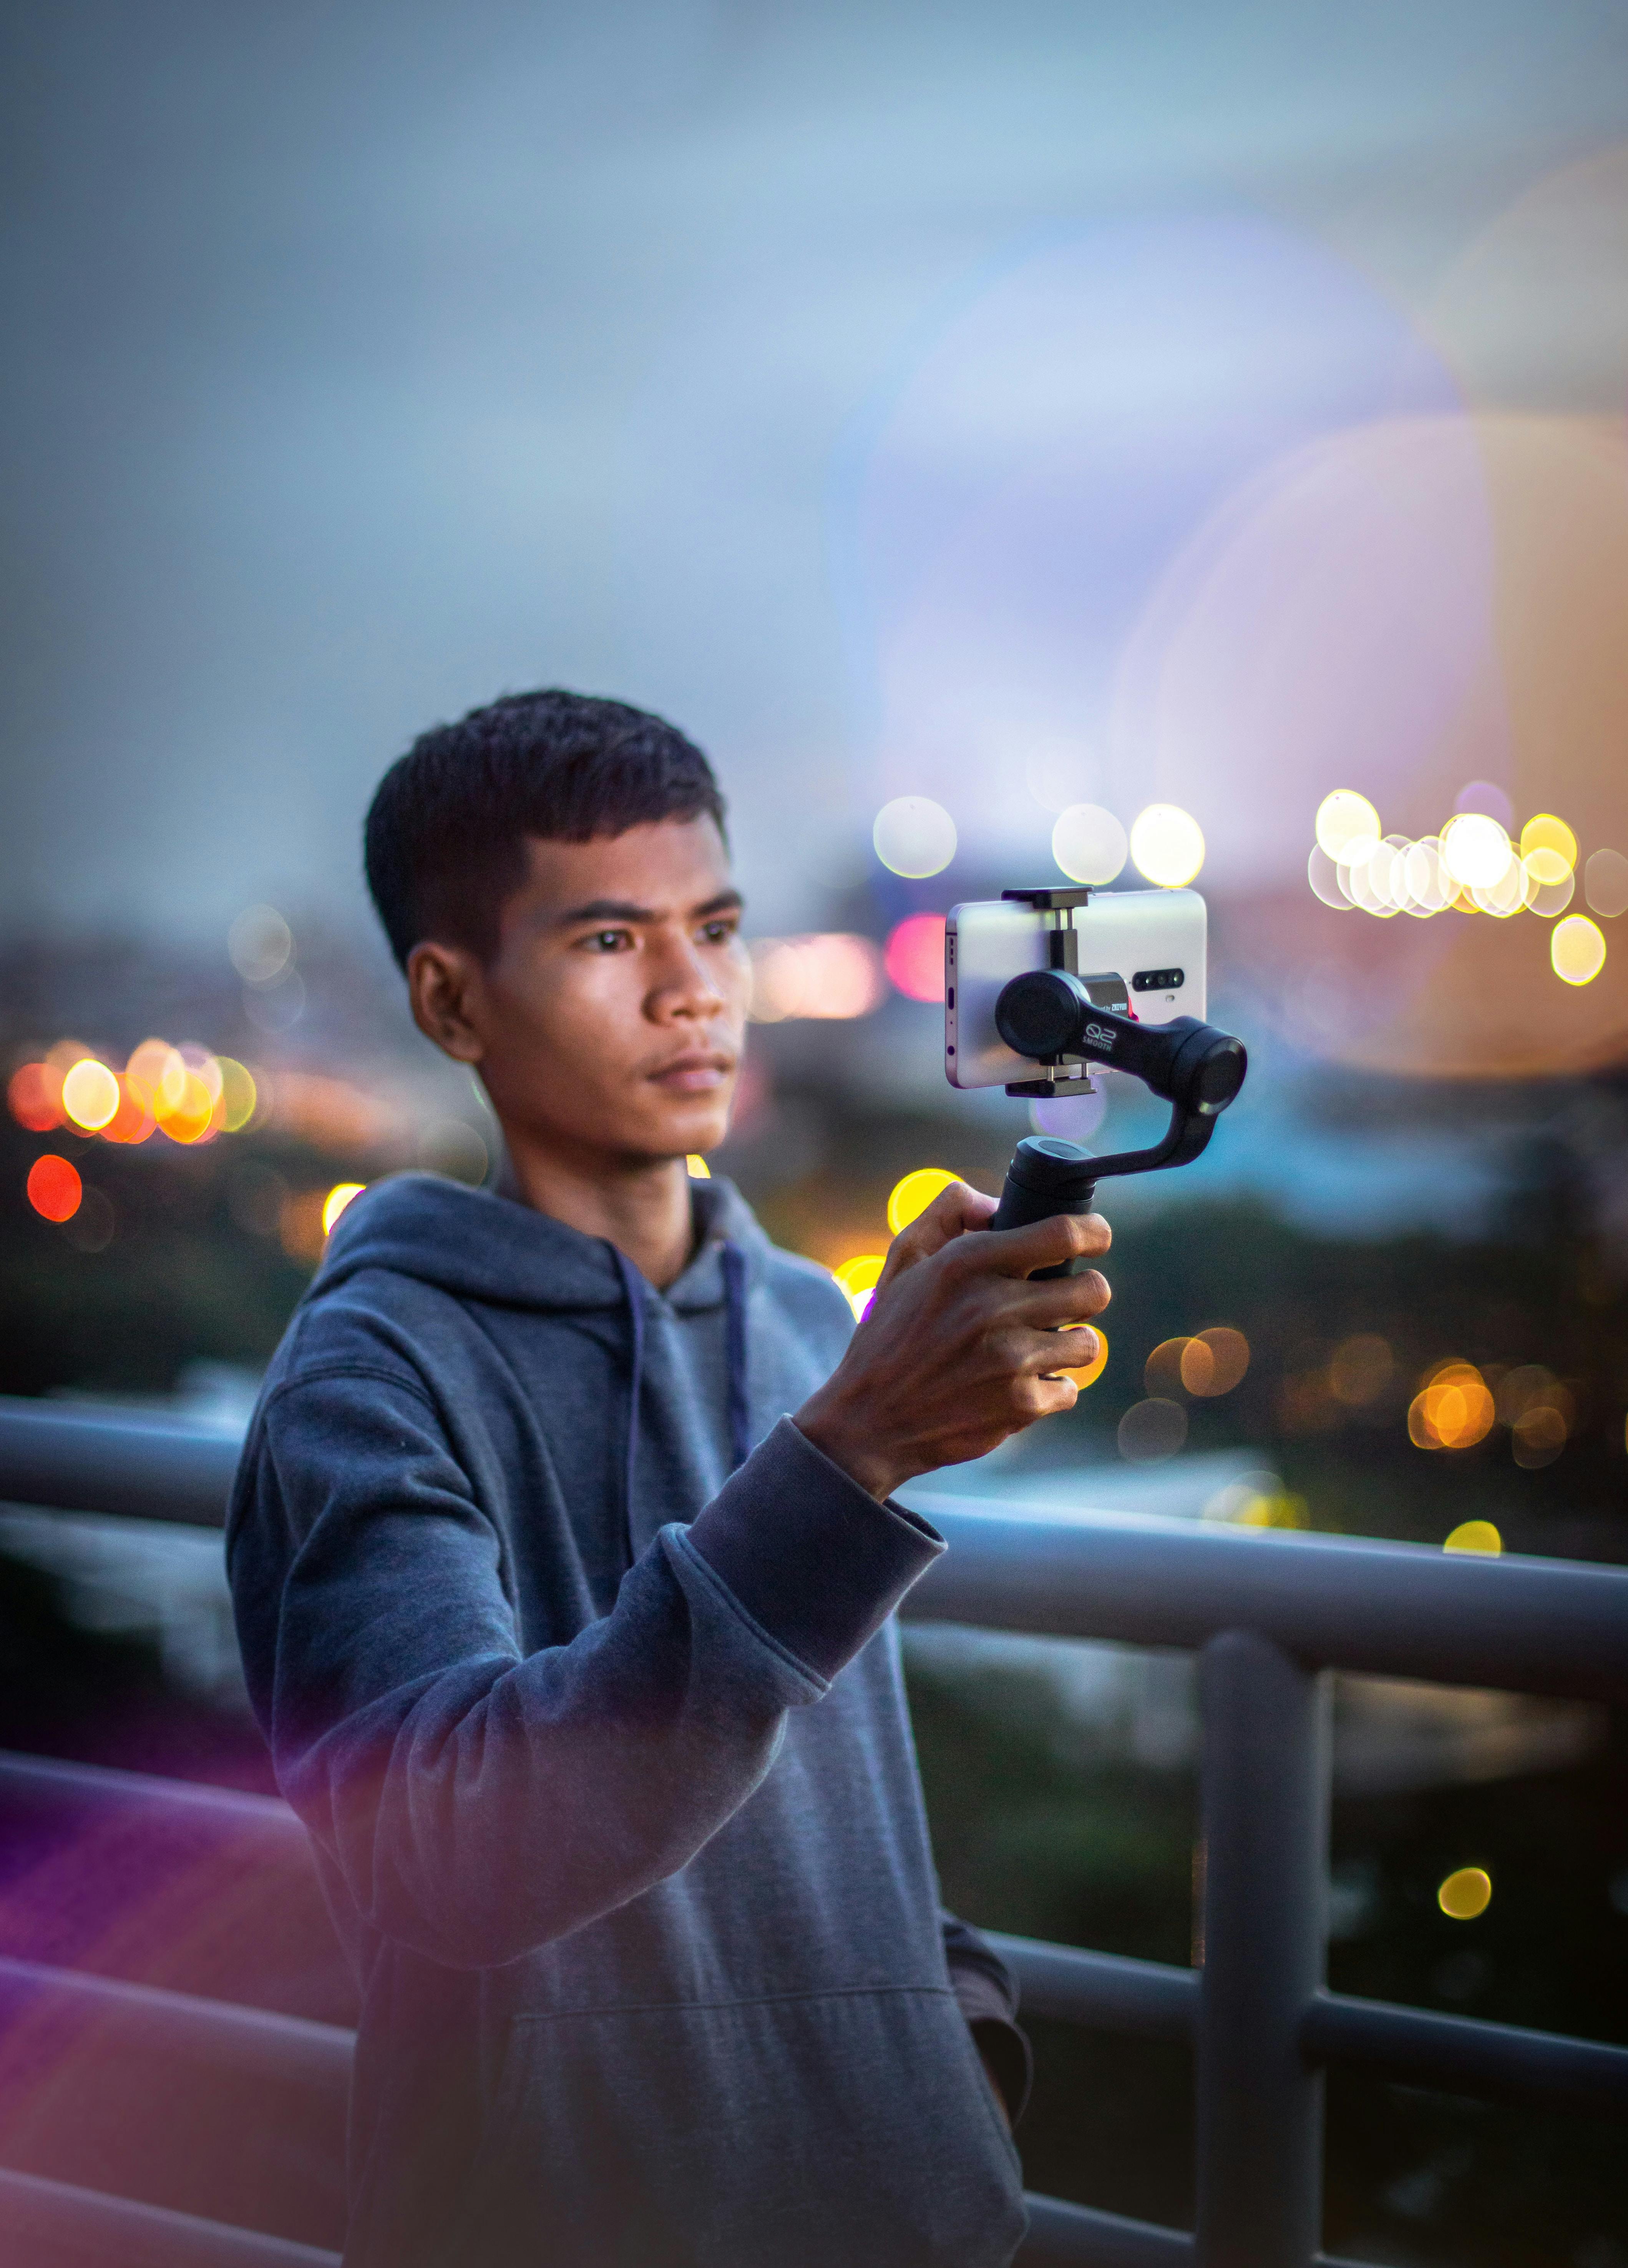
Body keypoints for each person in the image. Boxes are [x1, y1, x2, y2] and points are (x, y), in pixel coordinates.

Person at [226, 689, 1112, 2268]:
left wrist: (945, 2048)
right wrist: (852, 1460)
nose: (693, 993)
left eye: (716, 926)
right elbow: (453, 1852)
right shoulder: (370, 1379)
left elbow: (842, 1789)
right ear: (451, 1000)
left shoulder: (791, 1318)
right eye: (607, 941)